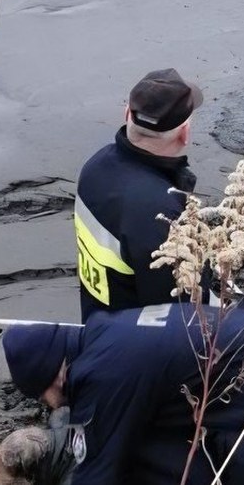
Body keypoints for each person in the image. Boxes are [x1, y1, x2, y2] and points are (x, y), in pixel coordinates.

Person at [0, 302, 244, 485]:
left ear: (51, 378)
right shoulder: (105, 330)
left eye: (40, 395)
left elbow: (96, 472)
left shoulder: (101, 375)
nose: (46, 404)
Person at [75, 68, 202, 322]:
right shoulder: (161, 213)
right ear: (184, 134)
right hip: (138, 349)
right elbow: (182, 316)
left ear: (126, 114)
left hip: (97, 325)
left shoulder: (94, 167)